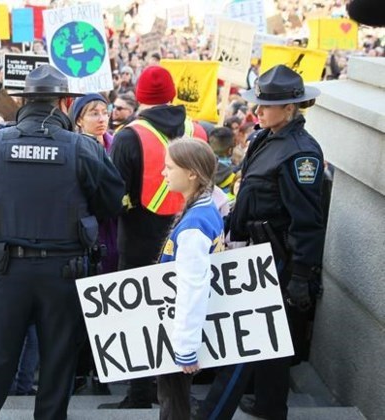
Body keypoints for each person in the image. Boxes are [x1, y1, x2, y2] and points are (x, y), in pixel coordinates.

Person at [0, 64, 125, 420]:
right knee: (58, 358)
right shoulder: (83, 148)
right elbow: (111, 203)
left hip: (7, 268)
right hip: (63, 271)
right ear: (64, 102)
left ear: (24, 100)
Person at [194, 65, 326, 420]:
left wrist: (300, 273)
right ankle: (270, 405)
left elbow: (307, 220)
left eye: (266, 106)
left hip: (276, 254)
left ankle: (212, 412)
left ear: (290, 108)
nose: (258, 111)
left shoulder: (300, 153)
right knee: (270, 335)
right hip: (252, 248)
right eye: (258, 104)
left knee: (248, 338)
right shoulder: (265, 137)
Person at [101, 65, 187, 409]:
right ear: (173, 93)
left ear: (139, 97)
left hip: (137, 238)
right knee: (178, 314)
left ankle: (138, 394)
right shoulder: (197, 129)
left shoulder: (128, 135)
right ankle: (174, 394)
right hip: (185, 235)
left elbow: (113, 193)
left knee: (138, 316)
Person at [157, 138, 224, 420]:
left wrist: (184, 348)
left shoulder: (195, 225)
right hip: (180, 326)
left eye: (169, 167)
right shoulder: (206, 208)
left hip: (179, 331)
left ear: (192, 173)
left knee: (174, 403)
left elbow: (192, 288)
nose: (163, 173)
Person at [70, 92, 118, 395]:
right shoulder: (73, 147)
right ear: (78, 119)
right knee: (77, 310)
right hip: (81, 237)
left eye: (104, 111)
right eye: (93, 113)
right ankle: (77, 372)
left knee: (106, 306)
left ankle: (103, 372)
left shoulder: (117, 144)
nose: (101, 118)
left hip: (112, 236)